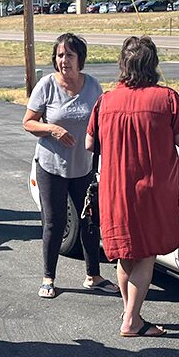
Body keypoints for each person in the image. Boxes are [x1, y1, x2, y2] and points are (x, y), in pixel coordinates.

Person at [85, 36, 179, 337]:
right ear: (152, 64)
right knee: (145, 255)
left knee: (125, 253)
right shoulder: (167, 99)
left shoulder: (106, 101)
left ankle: (130, 310)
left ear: (123, 63)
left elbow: (89, 143)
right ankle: (132, 320)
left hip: (115, 188)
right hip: (153, 189)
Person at [23, 33, 117, 299]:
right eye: (60, 55)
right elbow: (28, 122)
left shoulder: (93, 86)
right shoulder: (46, 86)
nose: (63, 60)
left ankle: (93, 275)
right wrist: (51, 129)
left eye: (70, 55)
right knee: (54, 223)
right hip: (51, 166)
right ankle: (48, 278)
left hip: (83, 167)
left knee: (89, 221)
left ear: (80, 59)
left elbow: (101, 122)